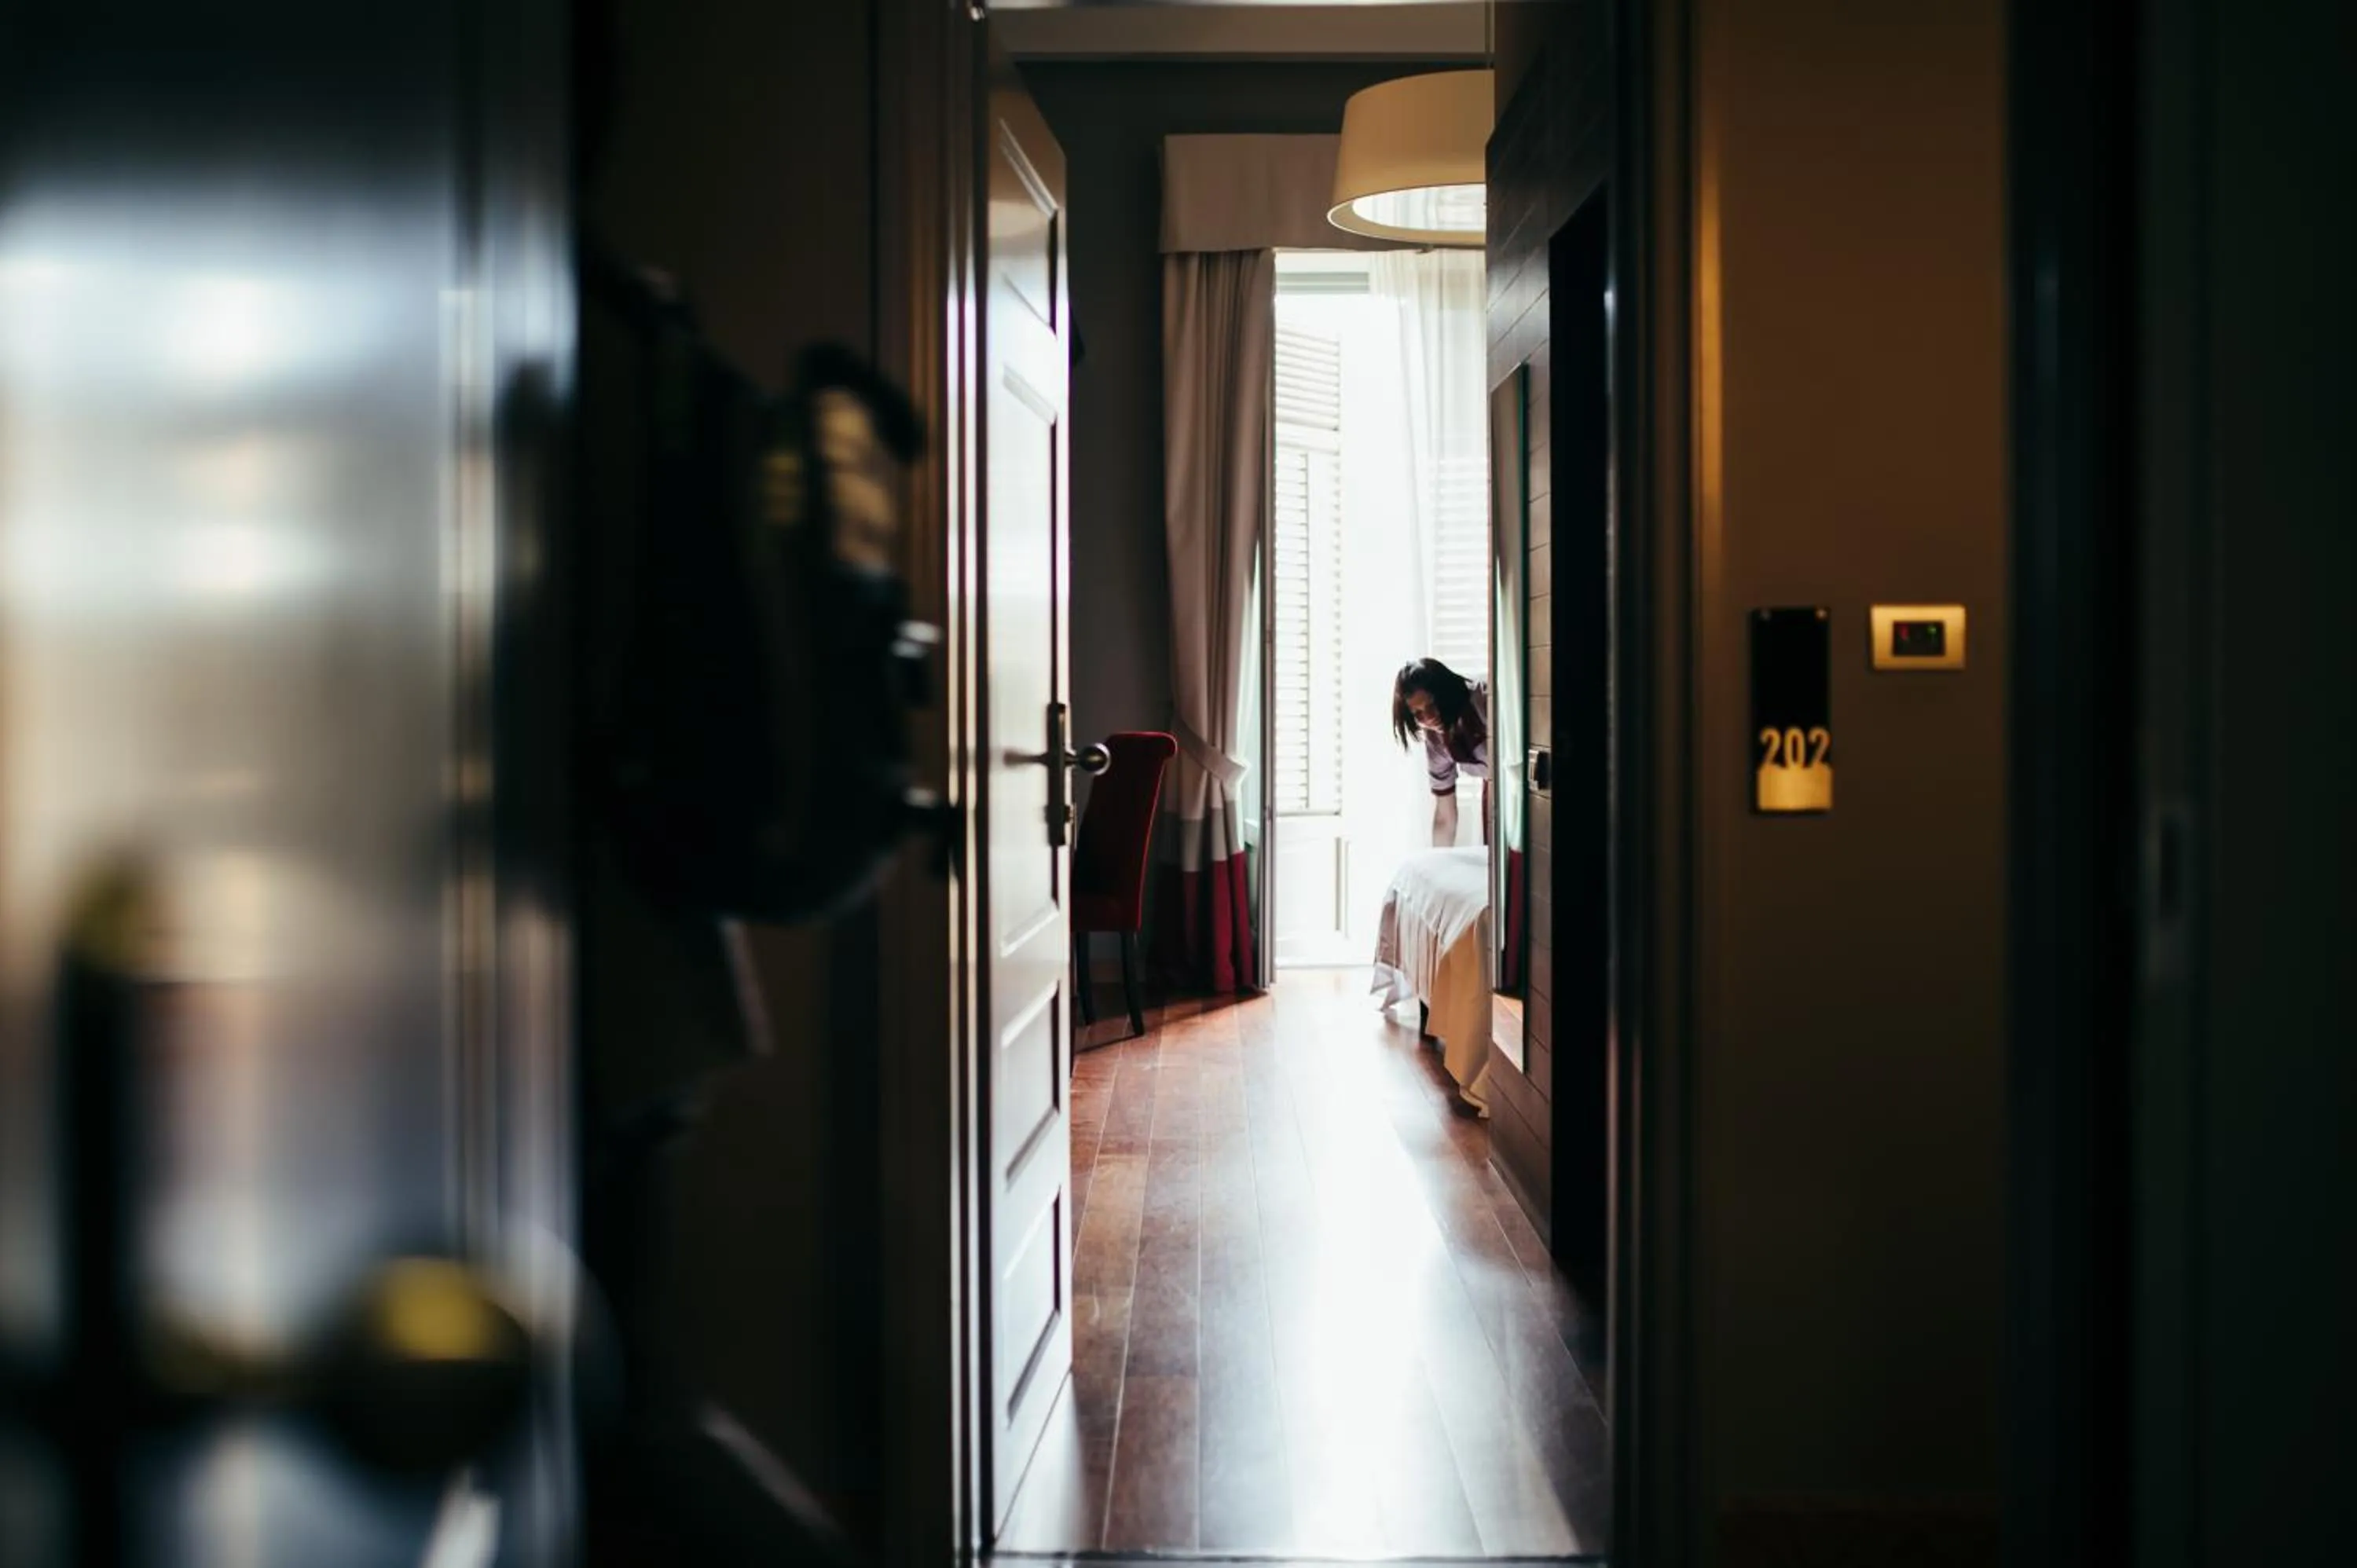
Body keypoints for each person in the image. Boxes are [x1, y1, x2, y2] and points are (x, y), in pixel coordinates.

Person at [1391, 658, 1490, 848]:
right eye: (1418, 714)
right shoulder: (1435, 739)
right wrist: (1438, 862)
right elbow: (1445, 816)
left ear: (1446, 692)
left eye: (1432, 705)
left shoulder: (1485, 699)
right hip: (1495, 787)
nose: (1429, 717)